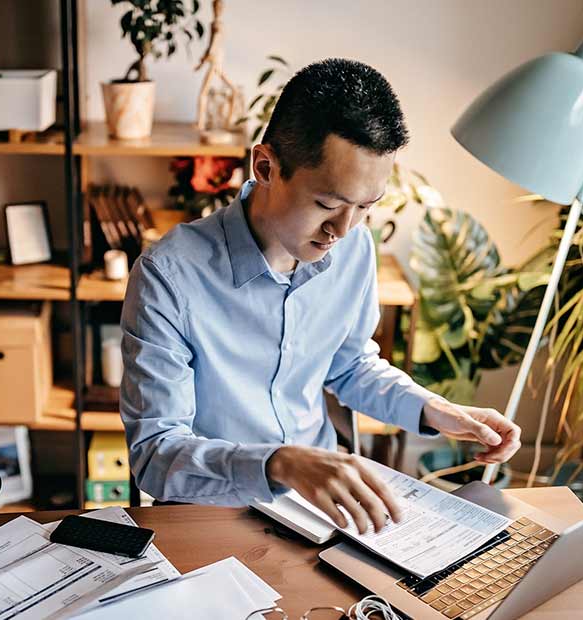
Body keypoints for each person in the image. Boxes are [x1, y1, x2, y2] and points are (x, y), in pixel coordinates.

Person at [120, 58, 521, 534]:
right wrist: (280, 464)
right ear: (265, 166)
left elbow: (349, 365)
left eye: (365, 208)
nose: (342, 229)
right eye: (327, 204)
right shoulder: (168, 276)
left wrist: (434, 410)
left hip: (323, 514)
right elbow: (155, 455)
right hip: (209, 518)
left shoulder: (354, 248)